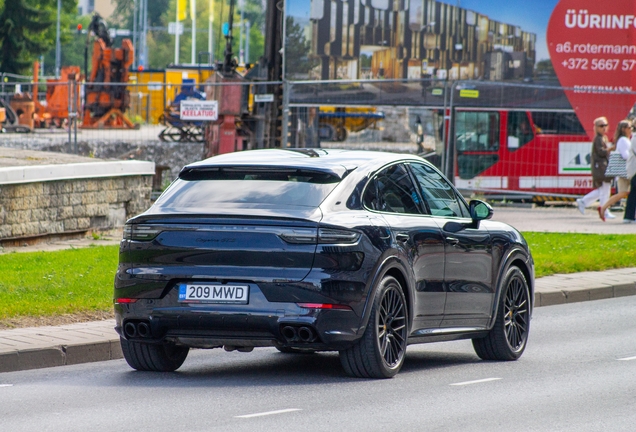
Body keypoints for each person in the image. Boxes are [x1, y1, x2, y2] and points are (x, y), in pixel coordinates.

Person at [576, 117, 615, 218]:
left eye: (605, 125)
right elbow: (601, 152)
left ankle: (583, 202)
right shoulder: (598, 139)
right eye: (601, 126)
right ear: (596, 127)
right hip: (601, 168)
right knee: (605, 190)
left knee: (603, 190)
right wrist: (611, 148)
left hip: (602, 167)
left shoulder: (603, 137)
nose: (604, 128)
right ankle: (604, 211)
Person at [598, 119, 632, 221]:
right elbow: (625, 155)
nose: (631, 130)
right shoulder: (623, 140)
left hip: (626, 171)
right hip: (625, 171)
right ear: (624, 129)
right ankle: (603, 207)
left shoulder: (624, 140)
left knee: (624, 192)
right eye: (629, 127)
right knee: (623, 193)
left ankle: (603, 208)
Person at [623, 126, 636, 223]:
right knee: (633, 193)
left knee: (633, 193)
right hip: (635, 170)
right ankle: (629, 216)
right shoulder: (635, 138)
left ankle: (629, 216)